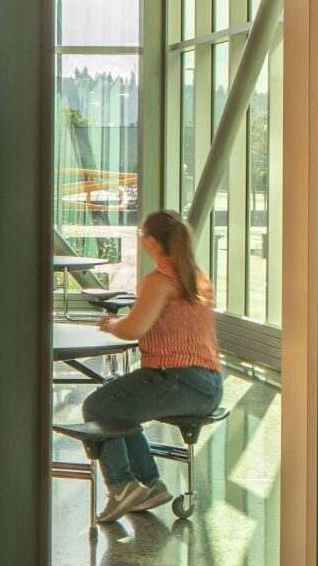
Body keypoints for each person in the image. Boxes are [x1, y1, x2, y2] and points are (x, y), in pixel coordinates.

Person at [81, 210, 222, 524]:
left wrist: (111, 323)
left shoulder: (160, 280)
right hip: (209, 386)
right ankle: (149, 484)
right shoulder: (195, 276)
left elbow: (133, 328)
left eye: (142, 234)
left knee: (97, 408)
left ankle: (122, 487)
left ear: (152, 242)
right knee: (121, 409)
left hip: (176, 380)